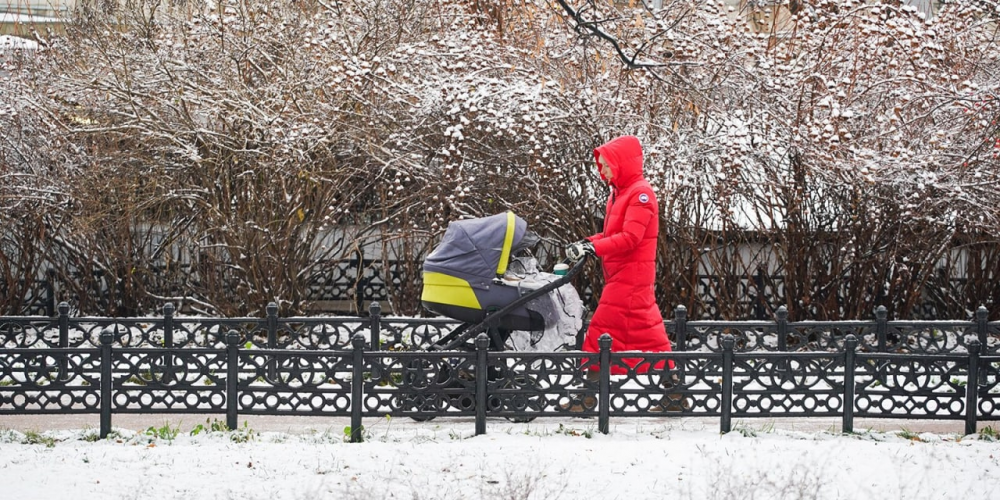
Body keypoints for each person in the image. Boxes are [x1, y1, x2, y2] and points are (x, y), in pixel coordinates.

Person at [561, 135, 686, 412]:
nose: (602, 171)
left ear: (621, 164)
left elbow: (630, 238)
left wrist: (594, 249)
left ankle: (587, 397)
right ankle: (676, 394)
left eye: (606, 165)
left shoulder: (640, 195)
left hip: (630, 278)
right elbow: (611, 235)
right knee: (651, 336)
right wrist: (588, 242)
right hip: (624, 276)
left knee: (599, 333)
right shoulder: (620, 193)